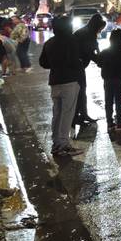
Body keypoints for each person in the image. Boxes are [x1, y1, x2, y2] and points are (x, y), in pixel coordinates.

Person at [39, 16, 83, 157]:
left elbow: (43, 63)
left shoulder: (49, 43)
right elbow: (75, 61)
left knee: (57, 113)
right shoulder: (71, 41)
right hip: (69, 81)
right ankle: (64, 144)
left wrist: (55, 64)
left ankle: (56, 143)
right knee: (67, 113)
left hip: (55, 81)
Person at [97, 28, 121, 134]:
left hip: (108, 79)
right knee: (118, 100)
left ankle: (110, 122)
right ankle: (120, 122)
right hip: (119, 79)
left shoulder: (105, 51)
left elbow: (99, 63)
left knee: (108, 101)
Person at [73, 13, 106, 125]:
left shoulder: (88, 32)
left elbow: (94, 49)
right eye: (100, 29)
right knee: (81, 91)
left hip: (78, 65)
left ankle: (80, 115)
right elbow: (90, 53)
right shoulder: (87, 34)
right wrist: (100, 62)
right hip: (76, 65)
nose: (100, 31)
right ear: (96, 26)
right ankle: (80, 116)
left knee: (80, 90)